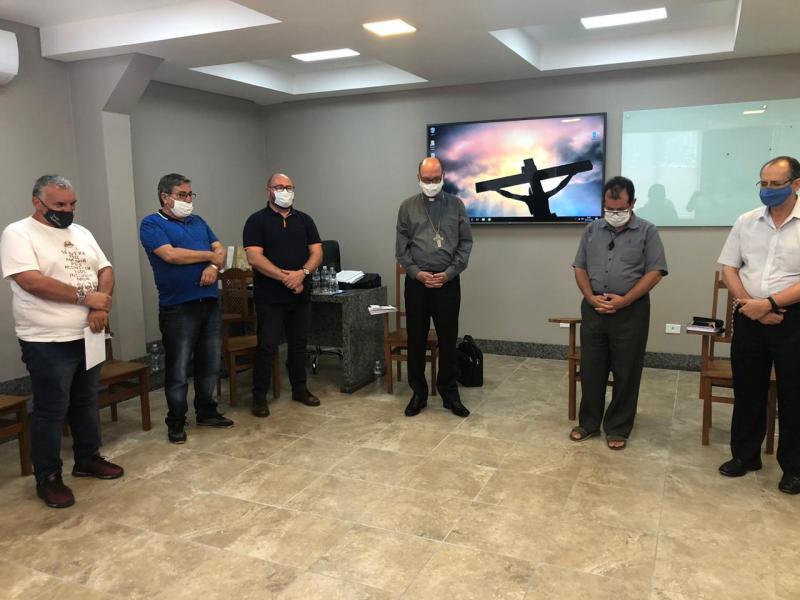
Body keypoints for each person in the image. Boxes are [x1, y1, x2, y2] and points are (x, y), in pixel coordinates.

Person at [0, 175, 124, 508]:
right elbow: (31, 281)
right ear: (37, 202)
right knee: (51, 409)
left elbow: (106, 270)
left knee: (85, 401)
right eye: (59, 204)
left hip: (88, 333)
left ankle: (87, 458)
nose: (67, 210)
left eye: (72, 204)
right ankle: (49, 477)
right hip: (47, 340)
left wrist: (101, 306)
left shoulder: (81, 232)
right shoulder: (18, 233)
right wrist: (86, 298)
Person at [717, 155, 800, 495]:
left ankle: (794, 468)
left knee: (794, 394)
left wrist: (770, 304)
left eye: (775, 184)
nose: (767, 190)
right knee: (748, 389)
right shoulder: (747, 221)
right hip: (749, 315)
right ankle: (745, 456)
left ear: (796, 184)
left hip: (792, 318)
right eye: (763, 184)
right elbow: (729, 267)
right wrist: (749, 306)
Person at [569, 176, 668, 449]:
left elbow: (655, 271)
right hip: (594, 309)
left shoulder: (647, 231)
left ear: (632, 203)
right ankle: (588, 423)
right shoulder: (591, 229)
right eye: (609, 208)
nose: (614, 213)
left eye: (620, 209)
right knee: (591, 368)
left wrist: (624, 301)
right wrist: (590, 297)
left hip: (630, 311)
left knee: (627, 370)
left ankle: (618, 427)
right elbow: (579, 267)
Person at [140, 173, 233, 444]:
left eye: (191, 194)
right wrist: (209, 256)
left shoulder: (199, 221)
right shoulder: (152, 223)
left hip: (209, 303)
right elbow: (170, 254)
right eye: (182, 195)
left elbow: (221, 252)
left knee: (210, 363)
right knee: (179, 369)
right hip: (178, 307)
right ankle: (177, 421)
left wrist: (213, 266)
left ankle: (207, 411)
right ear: (165, 197)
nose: (188, 199)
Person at [396, 157, 473, 418]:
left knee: (448, 340)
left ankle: (449, 393)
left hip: (447, 283)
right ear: (418, 178)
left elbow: (465, 244)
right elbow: (401, 250)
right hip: (417, 284)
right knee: (416, 339)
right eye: (427, 179)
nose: (432, 184)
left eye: (436, 179)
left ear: (443, 177)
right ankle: (418, 392)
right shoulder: (407, 207)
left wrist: (448, 274)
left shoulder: (456, 205)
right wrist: (417, 274)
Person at [243, 173, 323, 417]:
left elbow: (317, 252)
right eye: (279, 187)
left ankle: (300, 389)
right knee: (267, 346)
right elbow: (254, 257)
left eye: (289, 187)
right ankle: (259, 397)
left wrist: (302, 274)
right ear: (268, 190)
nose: (285, 191)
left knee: (299, 345)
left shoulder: (305, 220)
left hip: (300, 295)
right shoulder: (256, 221)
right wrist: (286, 278)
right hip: (270, 297)